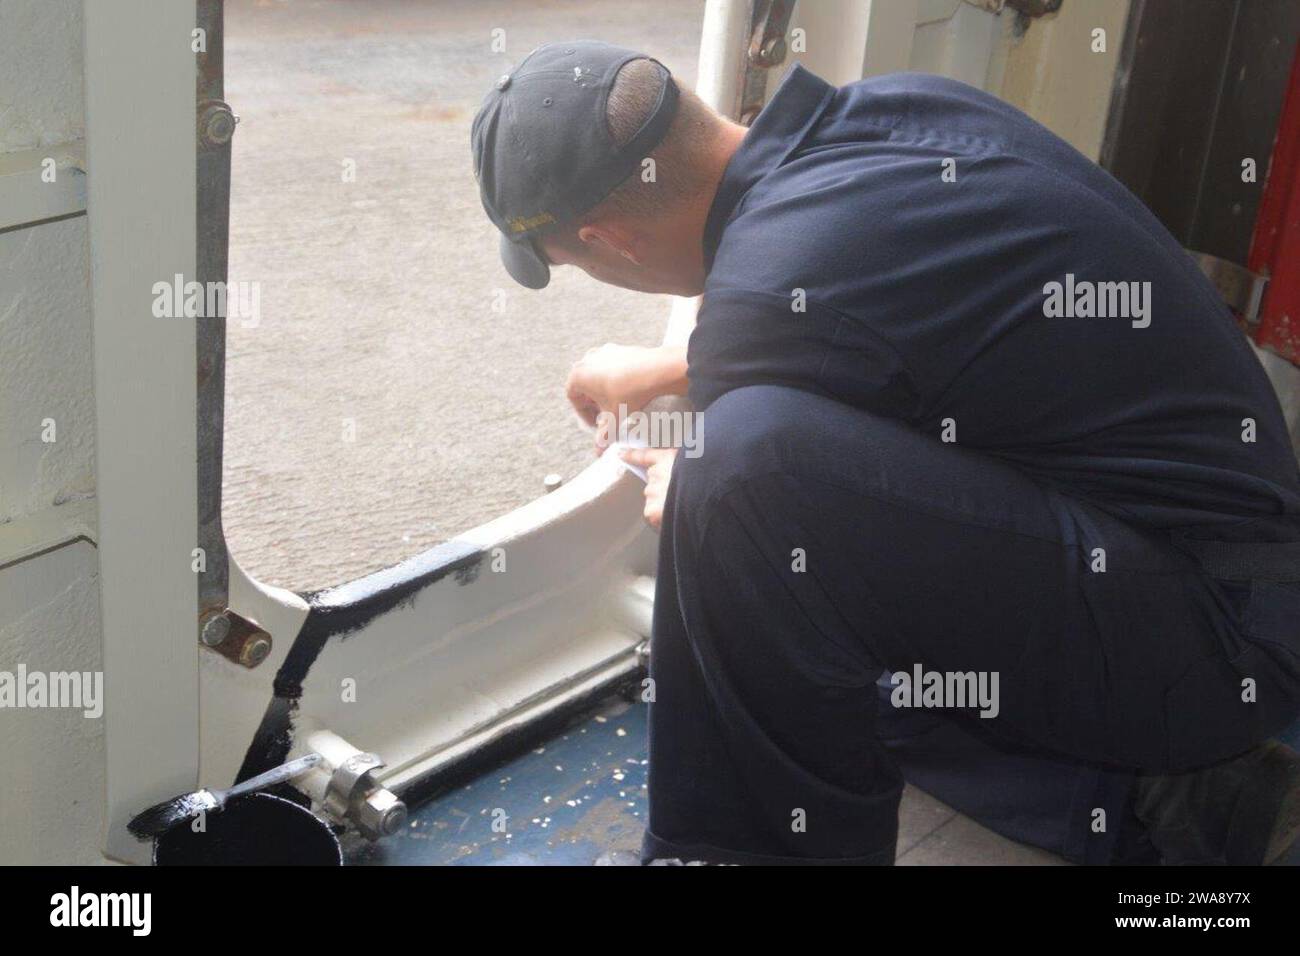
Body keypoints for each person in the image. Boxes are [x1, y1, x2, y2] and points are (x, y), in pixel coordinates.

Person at [471, 40, 1300, 865]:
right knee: (822, 659)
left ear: (610, 241)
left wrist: (690, 481)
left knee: (739, 491)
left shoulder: (774, 292)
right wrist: (666, 369)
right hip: (1225, 573)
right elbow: (875, 310)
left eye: (575, 263)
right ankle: (1165, 799)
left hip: (1220, 639)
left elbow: (771, 409)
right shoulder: (892, 113)